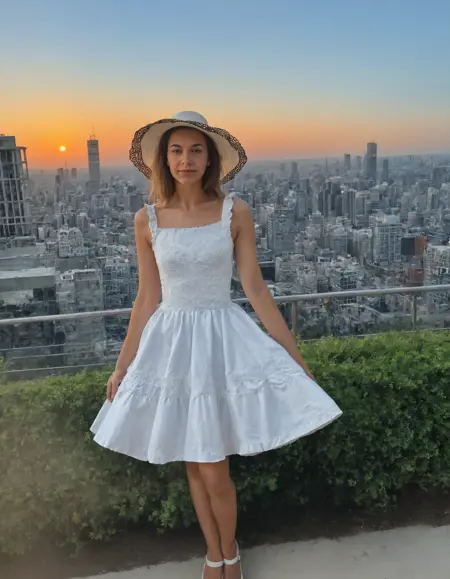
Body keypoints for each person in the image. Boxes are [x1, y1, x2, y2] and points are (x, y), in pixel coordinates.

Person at [91, 111, 342, 579]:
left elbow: (256, 289)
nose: (185, 159)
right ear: (164, 159)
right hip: (172, 345)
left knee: (213, 466)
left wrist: (294, 357)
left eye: (196, 150)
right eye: (176, 150)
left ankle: (229, 553)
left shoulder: (234, 212)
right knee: (194, 461)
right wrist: (122, 365)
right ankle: (216, 555)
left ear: (210, 158)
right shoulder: (147, 219)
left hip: (221, 341)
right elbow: (146, 297)